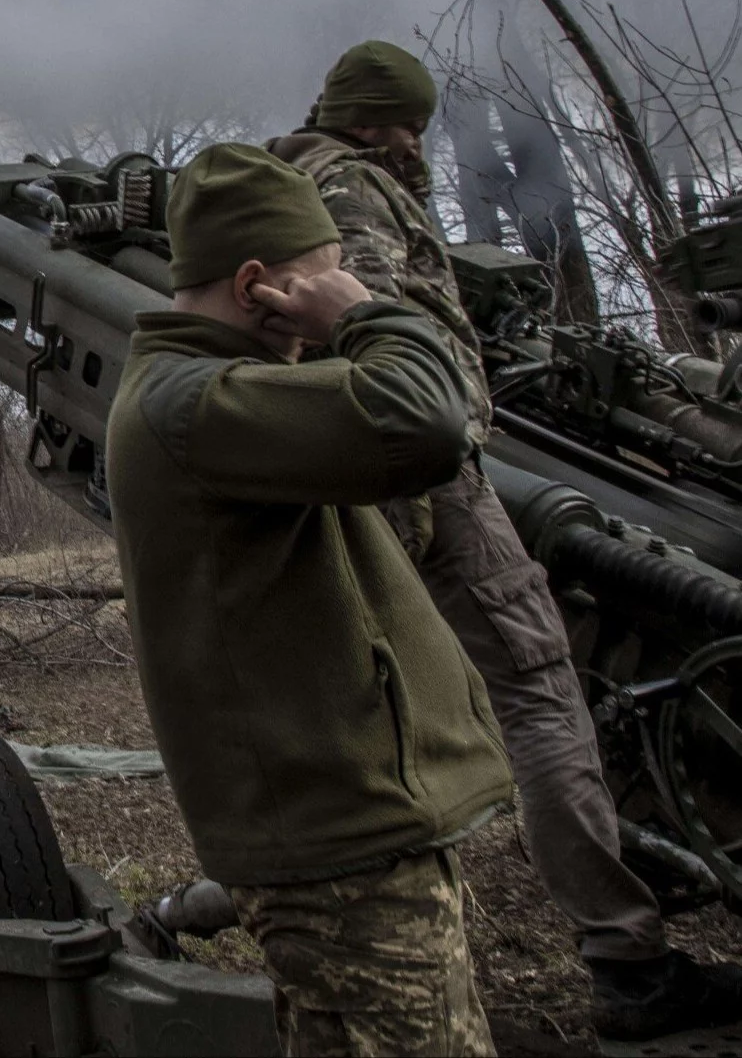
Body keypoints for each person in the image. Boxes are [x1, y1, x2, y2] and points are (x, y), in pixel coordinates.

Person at [271, 42, 742, 1042]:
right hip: (424, 471)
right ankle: (628, 955)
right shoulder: (349, 182)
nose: (421, 145)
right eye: (412, 124)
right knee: (536, 684)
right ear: (377, 120)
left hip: (385, 474)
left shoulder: (292, 179)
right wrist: (435, 429)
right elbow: (369, 315)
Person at [107, 142, 512, 1058]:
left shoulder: (226, 391)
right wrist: (367, 314)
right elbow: (426, 423)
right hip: (338, 847)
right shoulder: (195, 400)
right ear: (257, 284)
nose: (333, 297)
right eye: (319, 281)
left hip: (346, 832)